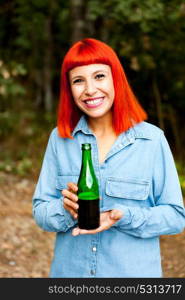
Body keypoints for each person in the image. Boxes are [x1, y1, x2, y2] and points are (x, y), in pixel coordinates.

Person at [32, 38, 185, 278]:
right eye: (78, 80)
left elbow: (176, 217)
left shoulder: (151, 141)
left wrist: (125, 215)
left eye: (99, 76)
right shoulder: (60, 139)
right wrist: (65, 208)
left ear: (116, 79)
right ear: (69, 89)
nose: (90, 89)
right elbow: (40, 211)